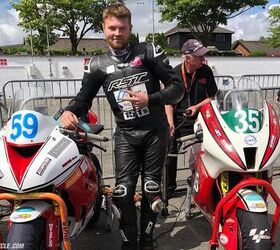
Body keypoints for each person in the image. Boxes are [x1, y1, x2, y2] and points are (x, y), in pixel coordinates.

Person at [61, 3, 183, 250]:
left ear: (130, 29)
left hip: (154, 132)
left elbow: (177, 88)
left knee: (151, 189)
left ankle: (146, 242)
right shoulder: (96, 65)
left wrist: (151, 99)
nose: (117, 33)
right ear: (103, 28)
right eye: (112, 28)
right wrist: (69, 111)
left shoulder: (148, 51)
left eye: (122, 28)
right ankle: (129, 242)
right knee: (122, 192)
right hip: (126, 134)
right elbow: (82, 100)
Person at [165, 39, 218, 197]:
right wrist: (170, 123)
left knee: (201, 155)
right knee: (169, 155)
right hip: (177, 119)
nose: (203, 59)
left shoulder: (206, 70)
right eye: (199, 56)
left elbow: (212, 97)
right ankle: (167, 192)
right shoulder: (174, 73)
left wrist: (196, 107)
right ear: (187, 58)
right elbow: (168, 102)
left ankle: (202, 187)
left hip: (199, 120)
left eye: (203, 55)